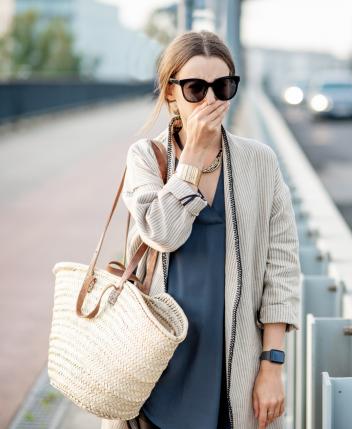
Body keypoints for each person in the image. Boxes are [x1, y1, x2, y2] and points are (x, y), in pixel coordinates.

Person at [100, 30, 301, 429]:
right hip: (158, 363)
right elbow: (162, 233)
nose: (211, 101)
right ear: (171, 92)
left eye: (223, 87)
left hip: (235, 365)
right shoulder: (146, 157)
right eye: (196, 88)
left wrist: (272, 365)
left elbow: (281, 268)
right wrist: (191, 159)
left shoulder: (259, 162)